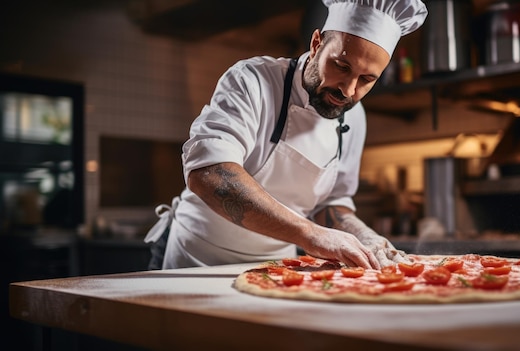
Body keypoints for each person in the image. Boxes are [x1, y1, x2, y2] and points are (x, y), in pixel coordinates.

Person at [145, 0, 428, 270]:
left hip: (274, 266)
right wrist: (311, 234)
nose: (349, 91)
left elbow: (331, 204)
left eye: (367, 79)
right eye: (341, 67)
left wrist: (366, 238)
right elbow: (209, 174)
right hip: (197, 255)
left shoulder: (354, 116)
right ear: (316, 44)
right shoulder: (253, 79)